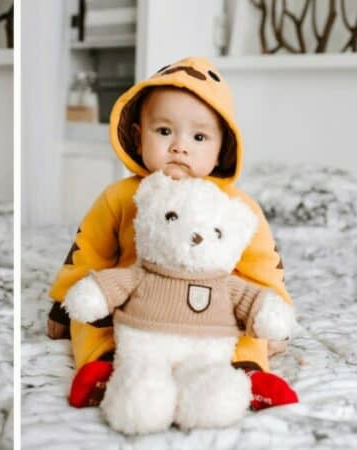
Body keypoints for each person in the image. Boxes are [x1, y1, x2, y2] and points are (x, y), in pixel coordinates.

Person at [47, 56, 298, 410]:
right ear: (138, 136)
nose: (180, 146)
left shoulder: (235, 206)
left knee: (245, 329)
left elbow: (263, 265)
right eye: (164, 131)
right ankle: (104, 367)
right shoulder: (121, 196)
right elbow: (88, 250)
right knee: (88, 321)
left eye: (199, 136)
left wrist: (275, 315)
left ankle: (247, 373)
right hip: (134, 309)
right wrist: (63, 302)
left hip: (213, 314)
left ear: (221, 147)